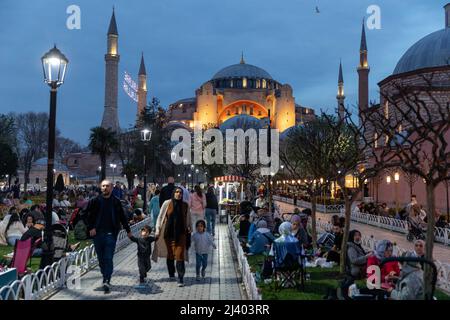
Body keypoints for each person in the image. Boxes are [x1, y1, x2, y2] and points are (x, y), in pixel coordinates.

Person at [86, 180, 131, 294]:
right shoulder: (95, 201)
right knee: (101, 258)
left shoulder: (116, 201)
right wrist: (91, 227)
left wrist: (128, 230)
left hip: (111, 233)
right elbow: (86, 215)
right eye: (103, 186)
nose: (105, 188)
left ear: (111, 188)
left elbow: (122, 216)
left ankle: (106, 279)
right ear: (101, 188)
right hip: (98, 234)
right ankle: (105, 274)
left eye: (107, 186)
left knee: (108, 257)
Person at [152, 187, 191, 287]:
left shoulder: (185, 205)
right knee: (170, 254)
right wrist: (157, 229)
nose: (179, 194)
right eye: (177, 192)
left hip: (181, 233)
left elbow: (188, 218)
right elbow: (160, 216)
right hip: (168, 233)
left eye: (180, 193)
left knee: (179, 255)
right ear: (173, 193)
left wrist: (189, 227)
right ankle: (171, 273)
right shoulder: (167, 203)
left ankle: (181, 278)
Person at [341, 230, 372, 299]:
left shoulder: (356, 245)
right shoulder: (351, 247)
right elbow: (354, 260)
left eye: (359, 235)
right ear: (351, 237)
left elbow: (359, 254)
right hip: (357, 269)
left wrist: (366, 253)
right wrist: (366, 257)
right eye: (355, 235)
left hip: (360, 267)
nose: (358, 237)